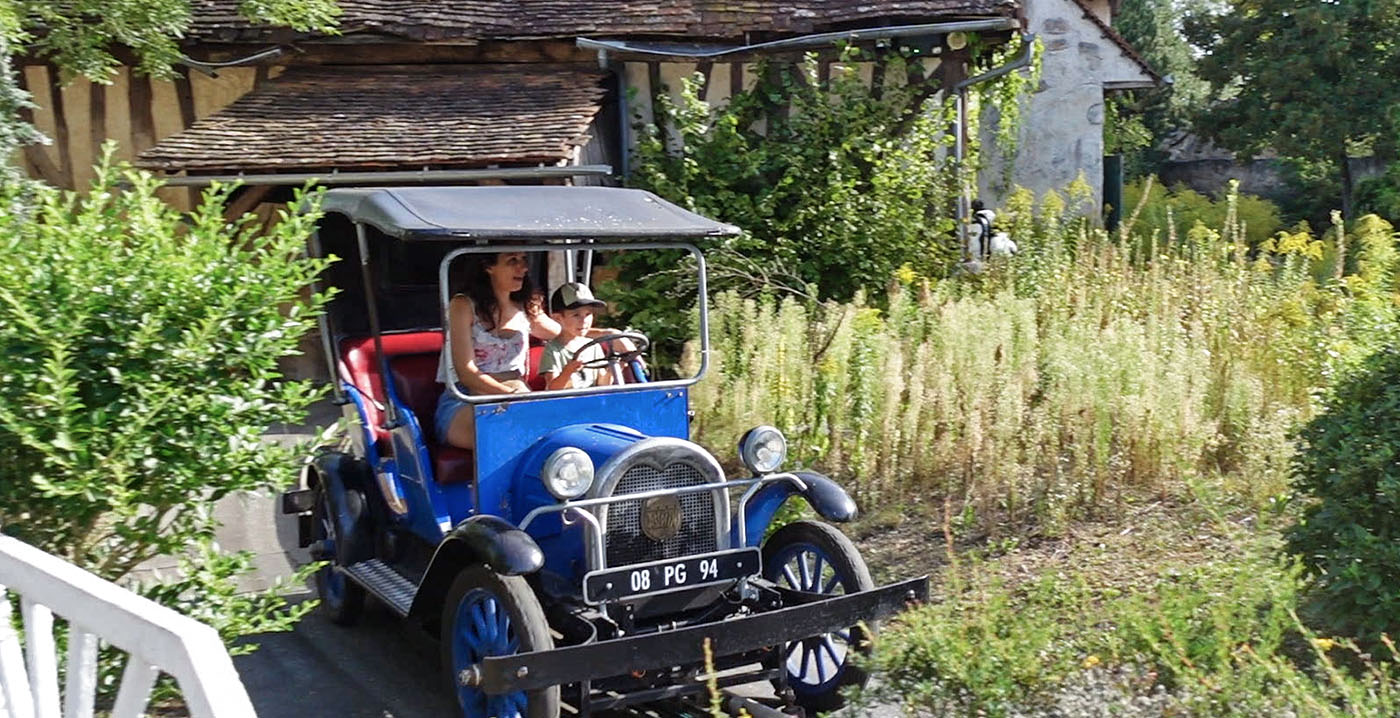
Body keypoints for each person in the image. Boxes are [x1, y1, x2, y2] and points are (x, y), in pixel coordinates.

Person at [434, 251, 560, 450]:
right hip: (467, 399)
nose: (523, 267)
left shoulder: (527, 307)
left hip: (517, 397)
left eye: (523, 260)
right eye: (512, 261)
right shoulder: (463, 305)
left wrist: (607, 335)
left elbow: (564, 333)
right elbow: (467, 374)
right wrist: (514, 397)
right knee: (507, 431)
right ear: (488, 267)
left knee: (557, 430)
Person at [539, 282, 622, 391]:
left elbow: (602, 384)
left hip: (591, 402)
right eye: (576, 315)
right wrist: (567, 371)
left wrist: (616, 367)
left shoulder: (593, 346)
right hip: (566, 404)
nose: (584, 321)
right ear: (558, 318)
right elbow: (552, 389)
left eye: (588, 314)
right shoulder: (553, 350)